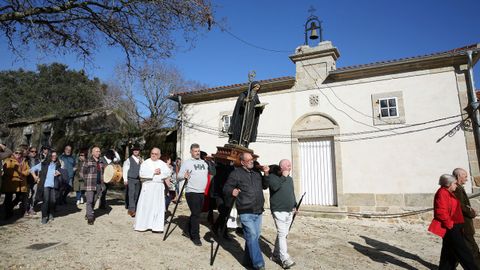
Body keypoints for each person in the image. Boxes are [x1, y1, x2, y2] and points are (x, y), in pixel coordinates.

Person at [223, 152, 269, 270]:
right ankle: (259, 264)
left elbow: (265, 186)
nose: (251, 161)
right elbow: (226, 188)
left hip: (258, 210)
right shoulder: (236, 173)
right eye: (248, 160)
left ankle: (247, 261)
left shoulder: (256, 173)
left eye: (252, 159)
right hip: (245, 209)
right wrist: (232, 191)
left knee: (253, 237)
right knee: (252, 235)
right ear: (242, 162)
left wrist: (266, 173)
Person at [428, 174, 477, 269]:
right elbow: (440, 212)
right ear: (448, 184)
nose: (456, 185)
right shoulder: (442, 193)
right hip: (452, 226)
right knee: (464, 252)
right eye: (454, 183)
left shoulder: (447, 192)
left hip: (455, 225)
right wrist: (450, 225)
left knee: (448, 252)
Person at [178, 143, 215, 246]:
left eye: (198, 151)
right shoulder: (187, 163)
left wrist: (211, 162)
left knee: (196, 213)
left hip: (201, 192)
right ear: (191, 152)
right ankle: (195, 236)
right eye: (195, 151)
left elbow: (213, 172)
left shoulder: (204, 162)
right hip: (192, 191)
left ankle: (186, 230)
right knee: (196, 214)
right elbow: (179, 176)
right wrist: (184, 175)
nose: (197, 153)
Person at [134, 147, 171, 232]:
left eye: (156, 154)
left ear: (159, 155)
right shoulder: (145, 163)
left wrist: (160, 173)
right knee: (146, 206)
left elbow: (168, 173)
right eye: (152, 153)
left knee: (157, 207)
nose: (153, 155)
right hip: (148, 188)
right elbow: (141, 174)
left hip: (158, 188)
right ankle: (143, 225)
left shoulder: (162, 164)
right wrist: (153, 172)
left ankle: (156, 227)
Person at [268, 159, 297, 269]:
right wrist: (283, 177)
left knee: (283, 234)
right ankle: (285, 259)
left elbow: (291, 192)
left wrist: (294, 205)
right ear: (282, 167)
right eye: (288, 165)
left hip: (289, 210)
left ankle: (275, 255)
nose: (290, 167)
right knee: (282, 233)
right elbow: (274, 187)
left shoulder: (290, 179)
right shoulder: (273, 177)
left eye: (290, 165)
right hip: (279, 210)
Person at [453, 168, 480, 268]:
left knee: (453, 250)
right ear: (459, 176)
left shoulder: (459, 187)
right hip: (463, 224)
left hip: (462, 225)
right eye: (465, 176)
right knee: (472, 249)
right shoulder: (457, 188)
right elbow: (459, 205)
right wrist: (471, 213)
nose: (467, 179)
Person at [31, 150, 67, 224]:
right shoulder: (43, 164)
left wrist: (59, 173)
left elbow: (63, 172)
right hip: (45, 185)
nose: (54, 157)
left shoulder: (58, 165)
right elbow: (32, 169)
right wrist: (36, 177)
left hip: (54, 185)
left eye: (55, 156)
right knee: (46, 201)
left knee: (53, 201)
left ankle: (50, 213)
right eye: (52, 156)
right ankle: (44, 217)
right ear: (49, 156)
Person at [228, 81, 265, 148]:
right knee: (240, 127)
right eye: (256, 87)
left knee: (248, 129)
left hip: (251, 116)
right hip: (242, 115)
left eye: (258, 88)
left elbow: (257, 104)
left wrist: (261, 108)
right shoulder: (245, 93)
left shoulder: (256, 96)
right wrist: (245, 101)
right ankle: (236, 140)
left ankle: (244, 142)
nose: (257, 89)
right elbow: (240, 102)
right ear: (252, 86)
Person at [1, 147, 30, 219]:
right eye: (16, 152)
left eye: (20, 153)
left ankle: (9, 209)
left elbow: (28, 170)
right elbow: (7, 170)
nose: (18, 154)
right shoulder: (8, 160)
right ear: (13, 153)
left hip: (21, 183)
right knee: (8, 198)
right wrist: (17, 176)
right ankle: (8, 214)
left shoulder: (24, 161)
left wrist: (23, 173)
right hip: (10, 183)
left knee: (19, 197)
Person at [80, 146, 105, 225]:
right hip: (90, 184)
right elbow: (81, 173)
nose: (98, 153)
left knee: (94, 200)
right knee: (89, 201)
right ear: (93, 153)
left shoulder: (101, 162)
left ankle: (88, 212)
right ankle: (90, 217)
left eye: (99, 151)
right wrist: (87, 180)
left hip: (98, 184)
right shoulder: (87, 161)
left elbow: (103, 173)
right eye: (97, 151)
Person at [123, 145, 143, 217]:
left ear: (139, 151)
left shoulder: (141, 160)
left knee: (137, 194)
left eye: (137, 150)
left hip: (138, 179)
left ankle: (134, 207)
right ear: (132, 151)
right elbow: (125, 169)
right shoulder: (129, 160)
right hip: (131, 178)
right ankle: (132, 210)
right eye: (134, 150)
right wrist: (125, 179)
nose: (136, 151)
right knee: (131, 194)